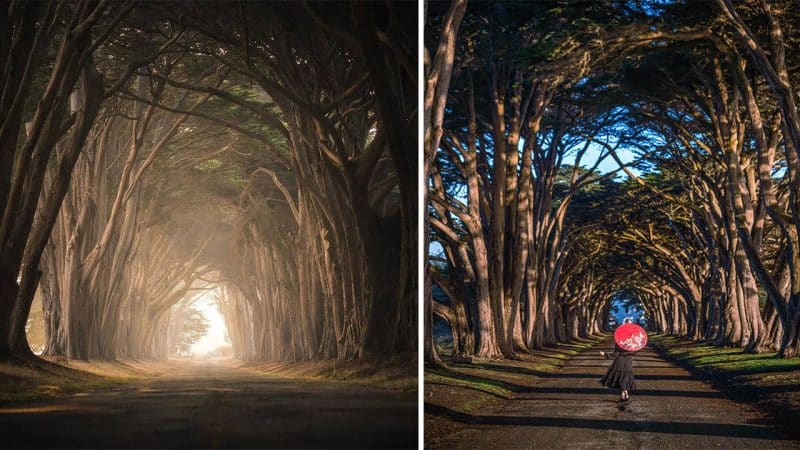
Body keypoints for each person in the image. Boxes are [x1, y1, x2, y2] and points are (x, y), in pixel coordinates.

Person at [599, 319, 637, 401]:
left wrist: (605, 354)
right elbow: (634, 352)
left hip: (620, 360)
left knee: (622, 377)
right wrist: (605, 354)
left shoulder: (620, 340)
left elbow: (614, 353)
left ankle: (624, 393)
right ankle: (624, 392)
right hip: (627, 361)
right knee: (625, 377)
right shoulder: (634, 341)